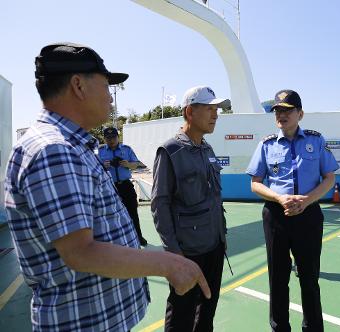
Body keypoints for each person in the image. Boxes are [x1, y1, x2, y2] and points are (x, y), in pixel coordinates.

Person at [3, 42, 210, 332]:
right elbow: (80, 252)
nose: (112, 98)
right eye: (107, 85)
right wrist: (168, 264)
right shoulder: (54, 150)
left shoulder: (72, 145)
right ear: (78, 85)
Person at [246, 89, 339, 332]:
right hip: (277, 215)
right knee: (278, 278)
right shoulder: (266, 144)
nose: (281, 115)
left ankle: (313, 327)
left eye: (287, 110)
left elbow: (329, 178)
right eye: (277, 110)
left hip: (308, 215)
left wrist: (306, 200)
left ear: (300, 114)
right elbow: (255, 183)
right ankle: (280, 327)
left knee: (309, 278)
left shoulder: (315, 140)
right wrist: (279, 197)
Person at [151, 86, 229, 332]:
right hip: (188, 251)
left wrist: (221, 238)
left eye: (216, 109)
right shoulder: (171, 151)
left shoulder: (207, 149)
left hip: (215, 246)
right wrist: (174, 254)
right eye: (209, 108)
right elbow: (159, 204)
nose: (215, 114)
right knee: (182, 316)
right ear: (189, 112)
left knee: (207, 312)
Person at [98, 126, 148, 246]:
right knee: (111, 215)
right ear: (104, 139)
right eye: (108, 138)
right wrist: (102, 166)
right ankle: (116, 241)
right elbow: (93, 169)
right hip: (109, 188)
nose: (111, 140)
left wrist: (128, 164)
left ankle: (138, 237)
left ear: (118, 137)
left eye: (113, 137)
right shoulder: (100, 151)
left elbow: (139, 165)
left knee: (132, 213)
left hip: (126, 186)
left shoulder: (127, 149)